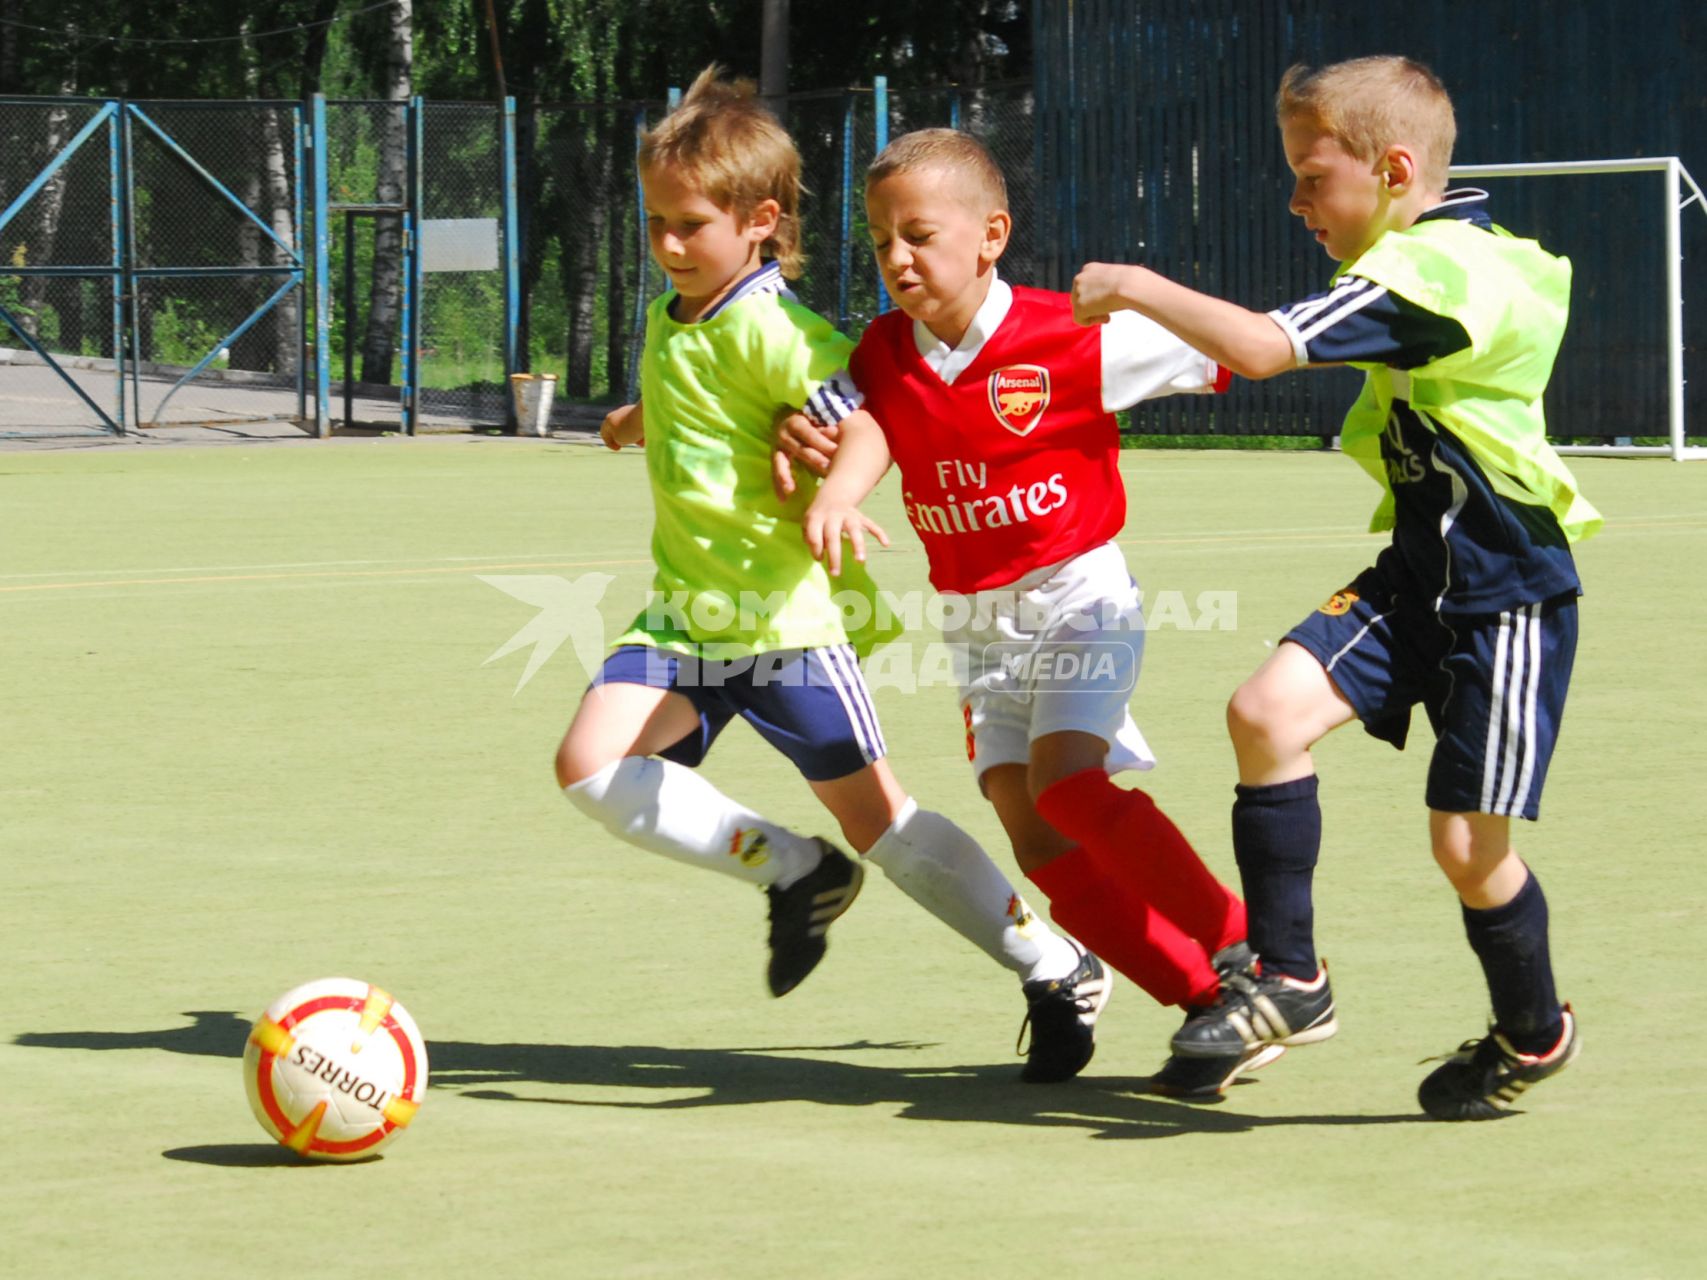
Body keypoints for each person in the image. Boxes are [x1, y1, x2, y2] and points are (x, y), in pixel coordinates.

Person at [555, 68, 1111, 1084]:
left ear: (761, 221)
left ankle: (1053, 962)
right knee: (589, 767)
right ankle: (796, 866)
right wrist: (649, 417)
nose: (666, 244)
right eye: (654, 222)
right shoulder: (679, 311)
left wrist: (837, 486)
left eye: (687, 224)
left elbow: (860, 411)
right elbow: (700, 390)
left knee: (888, 827)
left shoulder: (779, 327)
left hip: (784, 625)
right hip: (683, 617)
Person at [1070, 55, 1600, 1119]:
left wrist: (1132, 285)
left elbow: (1265, 351)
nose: (1298, 199)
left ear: (1395, 168)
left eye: (1313, 176)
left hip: (1508, 599)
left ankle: (1533, 1032)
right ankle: (1291, 976)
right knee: (1265, 712)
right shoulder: (1428, 260)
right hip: (1419, 581)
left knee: (1466, 849)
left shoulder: (1436, 274)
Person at [780, 128, 1269, 1098]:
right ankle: (1203, 1000)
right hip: (975, 622)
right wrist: (811, 446)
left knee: (1067, 786)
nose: (897, 258)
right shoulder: (882, 349)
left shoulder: (1068, 335)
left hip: (1078, 597)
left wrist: (1166, 297)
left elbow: (1242, 351)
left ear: (991, 233)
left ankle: (1255, 957)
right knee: (1031, 825)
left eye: (918, 234)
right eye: (880, 241)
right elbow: (844, 414)